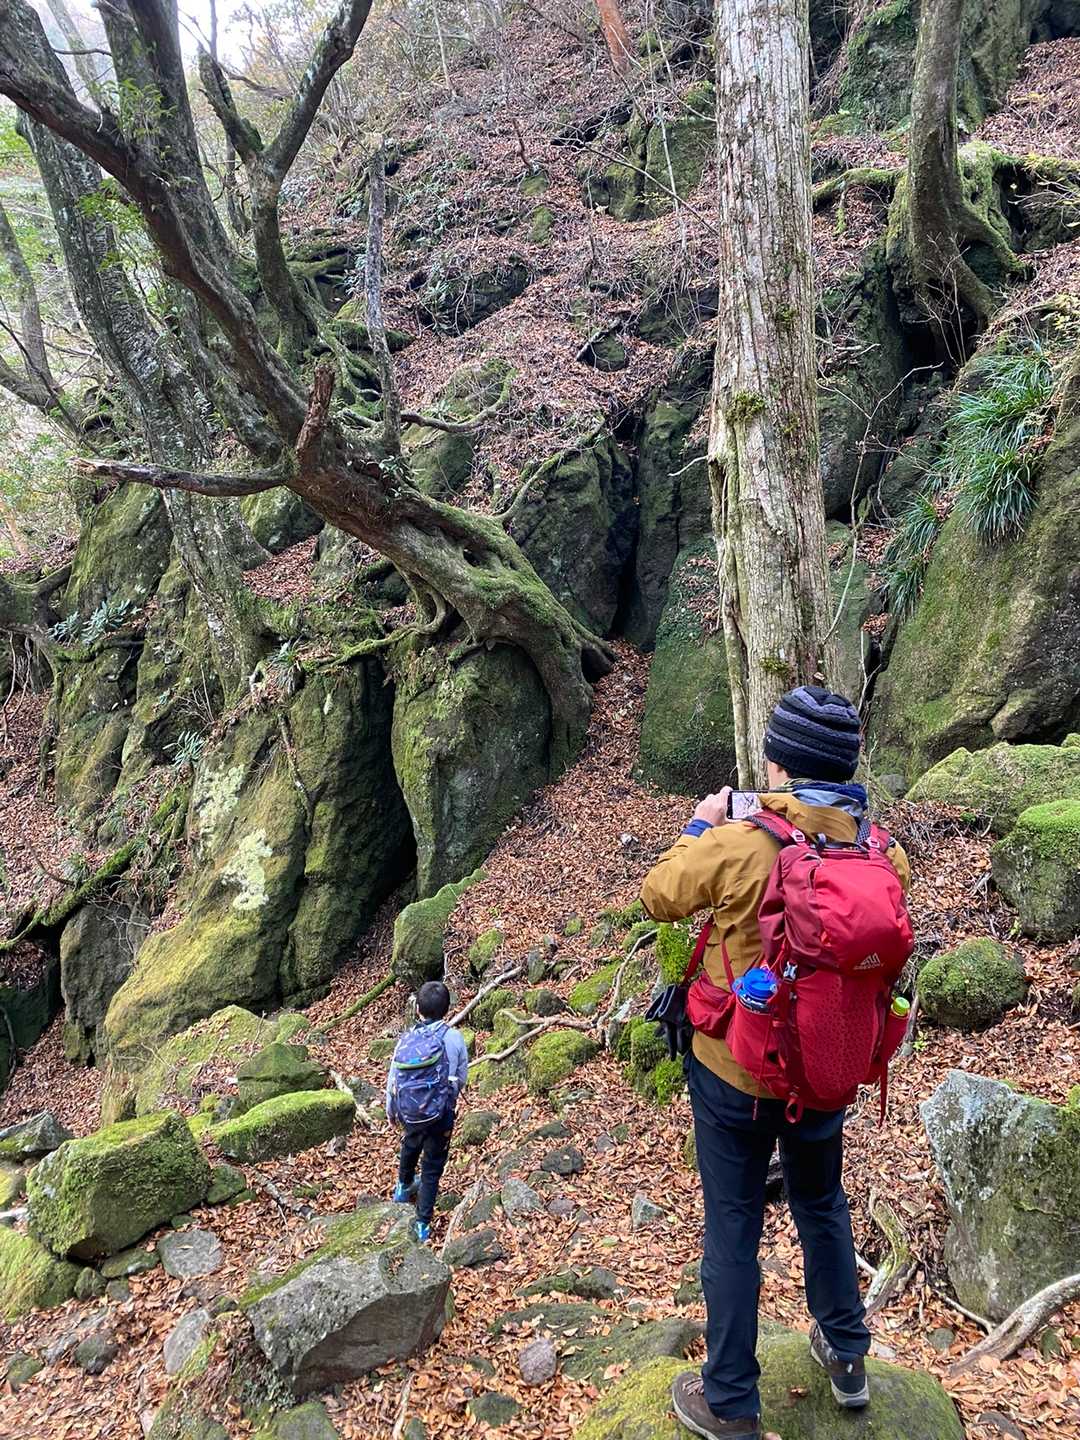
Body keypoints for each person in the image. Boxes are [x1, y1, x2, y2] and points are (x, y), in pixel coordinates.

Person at [640, 686, 910, 1440]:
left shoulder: (738, 842)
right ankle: (847, 1354)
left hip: (734, 1072)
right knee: (821, 1202)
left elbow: (658, 894)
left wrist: (700, 823)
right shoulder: (881, 851)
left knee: (732, 1223)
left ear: (779, 765)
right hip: (827, 1068)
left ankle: (730, 1400)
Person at [387, 980, 469, 1243]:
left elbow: (393, 1079)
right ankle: (422, 1225)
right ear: (447, 1009)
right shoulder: (454, 1038)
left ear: (418, 1010)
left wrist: (391, 1111)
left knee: (410, 1144)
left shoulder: (406, 1039)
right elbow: (462, 1077)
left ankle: (403, 1187)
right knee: (432, 1167)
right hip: (441, 1113)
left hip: (410, 1112)